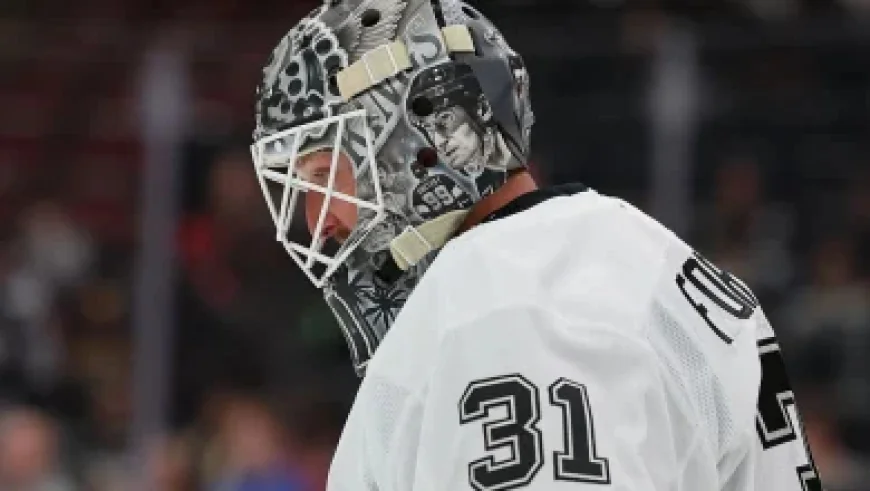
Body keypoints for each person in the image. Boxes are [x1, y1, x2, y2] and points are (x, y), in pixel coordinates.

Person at [249, 1, 822, 490]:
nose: (316, 221)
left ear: (420, 136)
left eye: (326, 175)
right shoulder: (630, 259)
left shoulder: (507, 302)